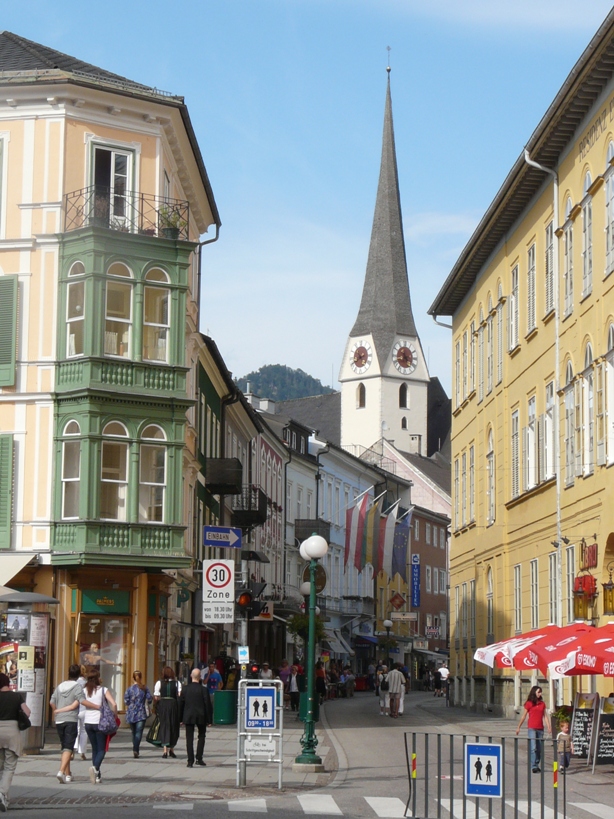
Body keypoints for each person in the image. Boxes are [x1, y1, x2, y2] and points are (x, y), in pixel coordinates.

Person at [50, 663, 89, 783]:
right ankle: (61, 771)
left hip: (59, 720)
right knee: (68, 747)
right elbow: (81, 701)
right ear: (78, 674)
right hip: (71, 719)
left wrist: (56, 711)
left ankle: (68, 774)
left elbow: (52, 701)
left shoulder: (60, 686)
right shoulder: (77, 687)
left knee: (65, 747)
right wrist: (96, 706)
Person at [0, 671, 31, 811]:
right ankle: (2, 793)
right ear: (8, 683)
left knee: (0, 767)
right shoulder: (16, 696)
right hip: (12, 733)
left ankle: (4, 798)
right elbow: (28, 712)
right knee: (9, 767)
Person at [82, 665, 117, 784]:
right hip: (100, 722)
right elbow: (114, 704)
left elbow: (81, 702)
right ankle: (95, 767)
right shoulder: (103, 690)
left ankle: (97, 776)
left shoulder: (84, 691)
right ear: (98, 678)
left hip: (88, 722)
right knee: (102, 749)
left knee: (94, 749)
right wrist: (115, 715)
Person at [179, 668, 212, 768]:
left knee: (189, 738)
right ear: (200, 677)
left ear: (191, 676)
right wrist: (209, 720)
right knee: (201, 736)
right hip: (201, 715)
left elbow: (181, 704)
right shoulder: (204, 690)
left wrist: (180, 719)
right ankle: (199, 758)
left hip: (188, 715)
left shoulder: (185, 689)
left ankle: (190, 761)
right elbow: (208, 705)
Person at [516, 685, 552, 773]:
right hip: (532, 728)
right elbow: (524, 716)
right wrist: (518, 727)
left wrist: (549, 726)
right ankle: (534, 766)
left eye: (541, 692)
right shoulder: (529, 703)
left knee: (539, 748)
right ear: (534, 692)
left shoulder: (542, 704)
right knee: (533, 747)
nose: (540, 693)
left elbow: (545, 716)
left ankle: (537, 763)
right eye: (538, 692)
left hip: (540, 728)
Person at [154, 666, 181, 758]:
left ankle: (165, 750)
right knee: (173, 725)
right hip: (173, 705)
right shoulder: (177, 683)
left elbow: (156, 696)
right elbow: (179, 695)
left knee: (164, 725)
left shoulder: (159, 683)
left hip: (163, 705)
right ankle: (171, 749)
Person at [124, 671, 152, 758]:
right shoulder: (144, 688)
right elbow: (150, 699)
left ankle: (135, 748)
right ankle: (136, 749)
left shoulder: (129, 689)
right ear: (141, 677)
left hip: (131, 713)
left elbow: (126, 701)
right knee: (139, 732)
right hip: (141, 713)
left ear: (133, 678)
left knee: (134, 732)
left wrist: (132, 703)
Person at [73, 666, 88, 761]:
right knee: (83, 731)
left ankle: (73, 749)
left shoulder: (74, 684)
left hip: (74, 709)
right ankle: (82, 751)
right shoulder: (87, 684)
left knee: (75, 730)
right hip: (84, 709)